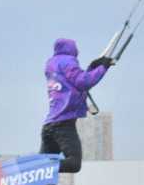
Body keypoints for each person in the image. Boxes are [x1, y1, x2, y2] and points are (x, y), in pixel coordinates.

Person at [40, 38, 114, 173]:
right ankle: (41, 167)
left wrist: (93, 67)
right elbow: (83, 82)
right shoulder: (68, 62)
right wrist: (104, 67)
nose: (78, 51)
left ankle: (38, 168)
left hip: (49, 126)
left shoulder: (52, 64)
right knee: (74, 163)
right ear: (71, 49)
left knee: (44, 175)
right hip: (63, 125)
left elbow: (73, 83)